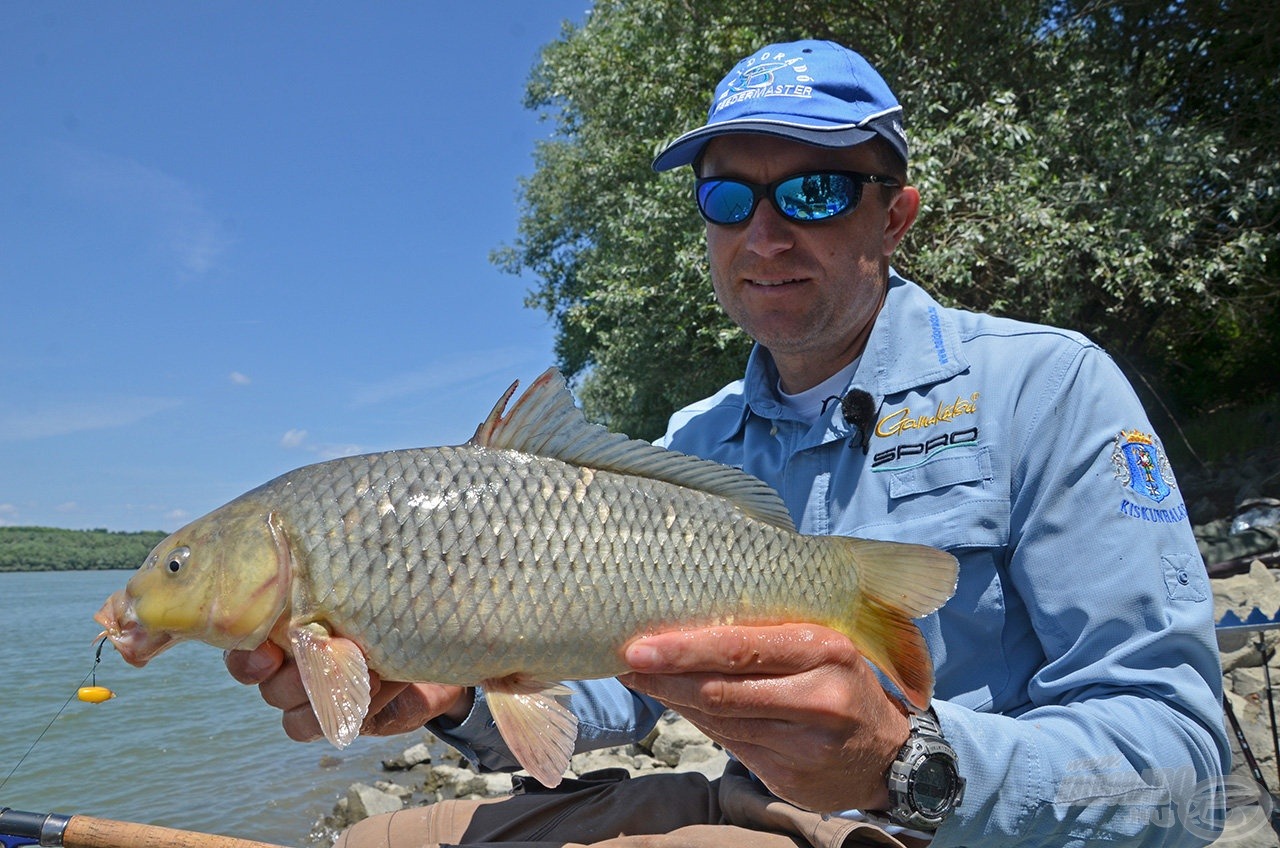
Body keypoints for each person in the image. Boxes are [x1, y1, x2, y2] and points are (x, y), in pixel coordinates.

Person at [226, 39, 1230, 846]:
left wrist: (906, 761)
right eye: (726, 196)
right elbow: (614, 693)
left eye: (814, 190)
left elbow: (1182, 773)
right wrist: (450, 692)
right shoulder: (692, 445)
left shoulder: (1046, 386)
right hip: (740, 802)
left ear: (895, 215)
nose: (762, 232)